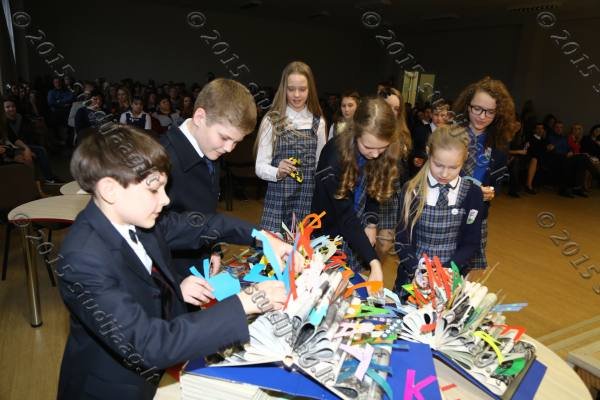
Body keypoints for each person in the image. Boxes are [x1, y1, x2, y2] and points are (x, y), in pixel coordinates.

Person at [56, 126, 297, 400]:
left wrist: (262, 237)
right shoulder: (82, 260)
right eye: (154, 189)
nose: (166, 199)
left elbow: (203, 225)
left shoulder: (135, 218)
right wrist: (243, 303)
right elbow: (148, 344)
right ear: (110, 189)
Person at [159, 78, 260, 277]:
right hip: (172, 273)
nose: (229, 148)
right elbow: (156, 231)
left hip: (198, 261)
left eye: (236, 142)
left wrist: (213, 247)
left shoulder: (210, 148)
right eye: (224, 137)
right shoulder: (163, 160)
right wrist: (176, 283)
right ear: (200, 117)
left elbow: (205, 210)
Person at [311, 97, 401, 283]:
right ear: (355, 132)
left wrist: (371, 222)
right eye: (368, 147)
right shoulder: (333, 157)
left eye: (382, 148)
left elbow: (375, 190)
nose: (375, 154)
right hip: (329, 231)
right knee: (329, 283)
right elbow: (345, 217)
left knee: (352, 281)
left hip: (356, 228)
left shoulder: (378, 152)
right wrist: (374, 261)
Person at [394, 126, 484, 291]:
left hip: (451, 276)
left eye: (453, 167)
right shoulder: (411, 190)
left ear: (464, 159)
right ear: (428, 152)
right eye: (438, 165)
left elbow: (471, 243)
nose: (444, 174)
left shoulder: (473, 194)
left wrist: (445, 271)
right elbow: (401, 239)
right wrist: (417, 270)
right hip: (413, 276)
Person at [452, 76, 517, 269]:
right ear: (467, 106)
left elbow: (496, 183)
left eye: (490, 112)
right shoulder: (451, 135)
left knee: (466, 268)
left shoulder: (499, 144)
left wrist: (491, 192)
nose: (482, 116)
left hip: (476, 213)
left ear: (499, 113)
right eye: (477, 109)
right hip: (447, 210)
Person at [255, 61, 326, 233]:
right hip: (278, 199)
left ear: (310, 90)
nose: (296, 95)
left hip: (307, 200)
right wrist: (277, 172)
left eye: (302, 89)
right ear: (283, 89)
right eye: (291, 89)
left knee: (303, 248)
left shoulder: (318, 122)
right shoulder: (272, 120)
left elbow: (320, 167)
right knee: (275, 248)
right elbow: (260, 166)